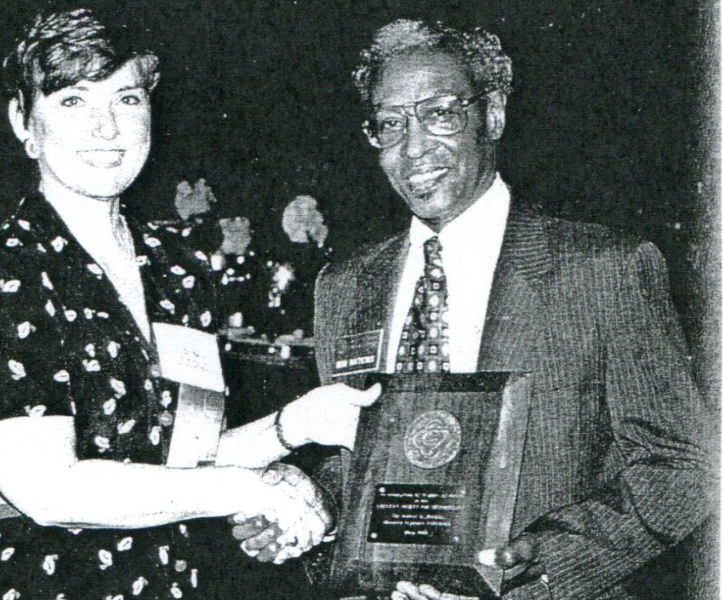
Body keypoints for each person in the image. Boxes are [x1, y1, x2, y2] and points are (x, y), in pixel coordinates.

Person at [232, 19, 713, 600]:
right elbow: (356, 456)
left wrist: (544, 561)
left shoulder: (603, 267)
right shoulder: (344, 284)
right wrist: (312, 510)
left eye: (440, 113)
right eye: (390, 124)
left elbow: (685, 467)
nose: (413, 149)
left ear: (493, 115)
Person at [0, 9, 378, 599]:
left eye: (126, 99)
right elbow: (47, 490)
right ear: (24, 122)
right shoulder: (4, 263)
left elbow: (184, 461)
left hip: (167, 578)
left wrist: (294, 425)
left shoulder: (177, 267)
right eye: (72, 101)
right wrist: (247, 489)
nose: (106, 128)